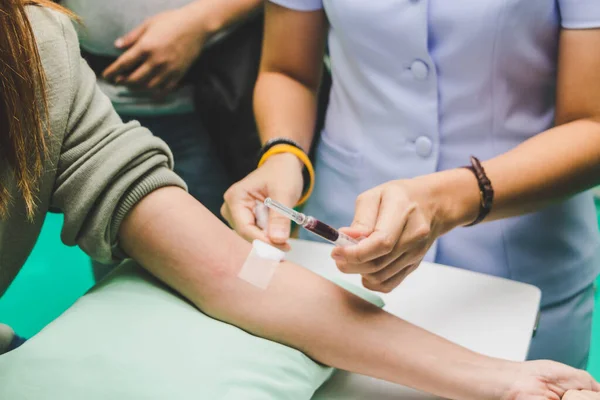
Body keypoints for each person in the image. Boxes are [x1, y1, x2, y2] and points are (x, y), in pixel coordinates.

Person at [0, 1, 599, 399]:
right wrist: (285, 154)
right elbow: (288, 69)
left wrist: (508, 380)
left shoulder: (37, 53)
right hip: (343, 222)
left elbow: (228, 273)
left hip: (527, 244)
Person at [221, 1, 600, 369]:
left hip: (520, 257)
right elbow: (287, 72)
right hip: (346, 253)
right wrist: (284, 154)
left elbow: (592, 125)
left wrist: (449, 200)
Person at [59, 0, 263, 279]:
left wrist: (202, 20)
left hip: (217, 108)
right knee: (120, 279)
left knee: (235, 270)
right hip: (94, 105)